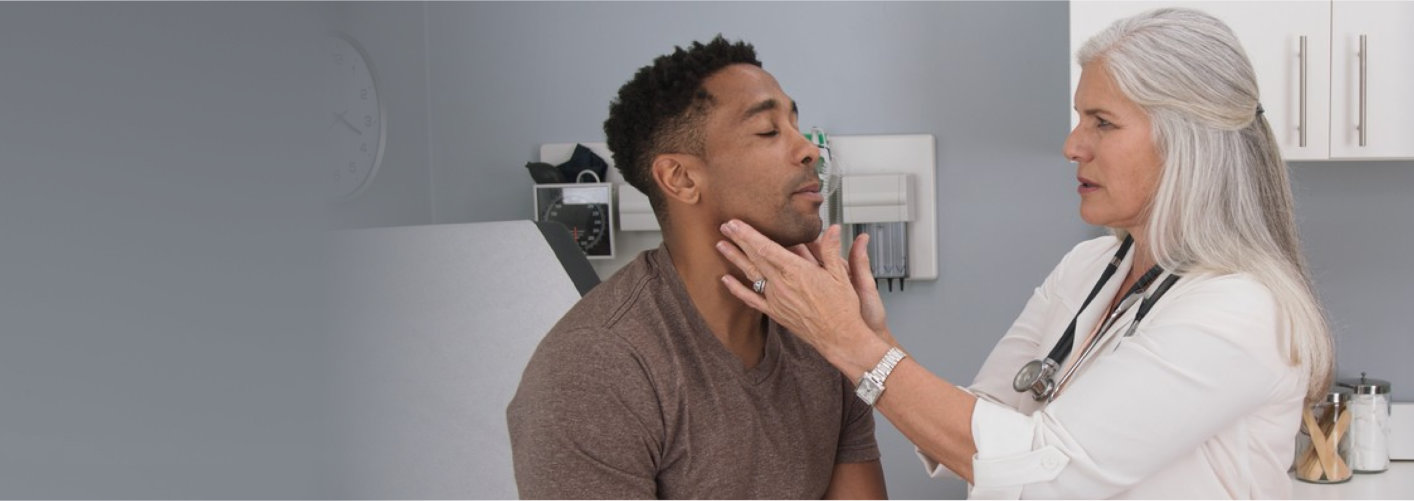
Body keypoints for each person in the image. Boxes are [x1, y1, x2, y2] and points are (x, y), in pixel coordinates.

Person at [712, 8, 1335, 499]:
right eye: (1078, 119)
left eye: (1102, 122)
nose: (1072, 145)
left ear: (1186, 141)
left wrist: (848, 343)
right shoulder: (1090, 268)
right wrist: (875, 338)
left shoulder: (1240, 311)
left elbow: (1045, 473)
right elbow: (986, 420)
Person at [505, 35, 887, 499]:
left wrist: (862, 346)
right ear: (682, 179)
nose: (808, 149)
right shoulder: (596, 369)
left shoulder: (823, 332)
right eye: (769, 131)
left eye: (796, 124)